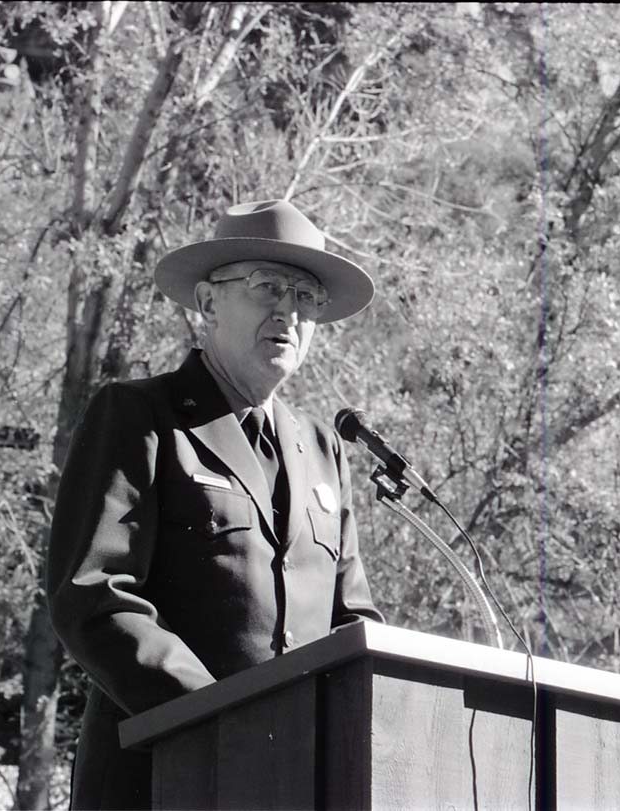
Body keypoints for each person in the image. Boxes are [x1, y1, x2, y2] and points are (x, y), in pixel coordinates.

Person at [47, 199, 385, 809]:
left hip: (296, 785)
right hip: (161, 780)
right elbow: (95, 597)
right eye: (267, 287)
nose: (288, 311)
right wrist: (221, 721)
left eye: (305, 297)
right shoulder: (142, 417)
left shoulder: (324, 449)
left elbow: (351, 621)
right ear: (207, 304)